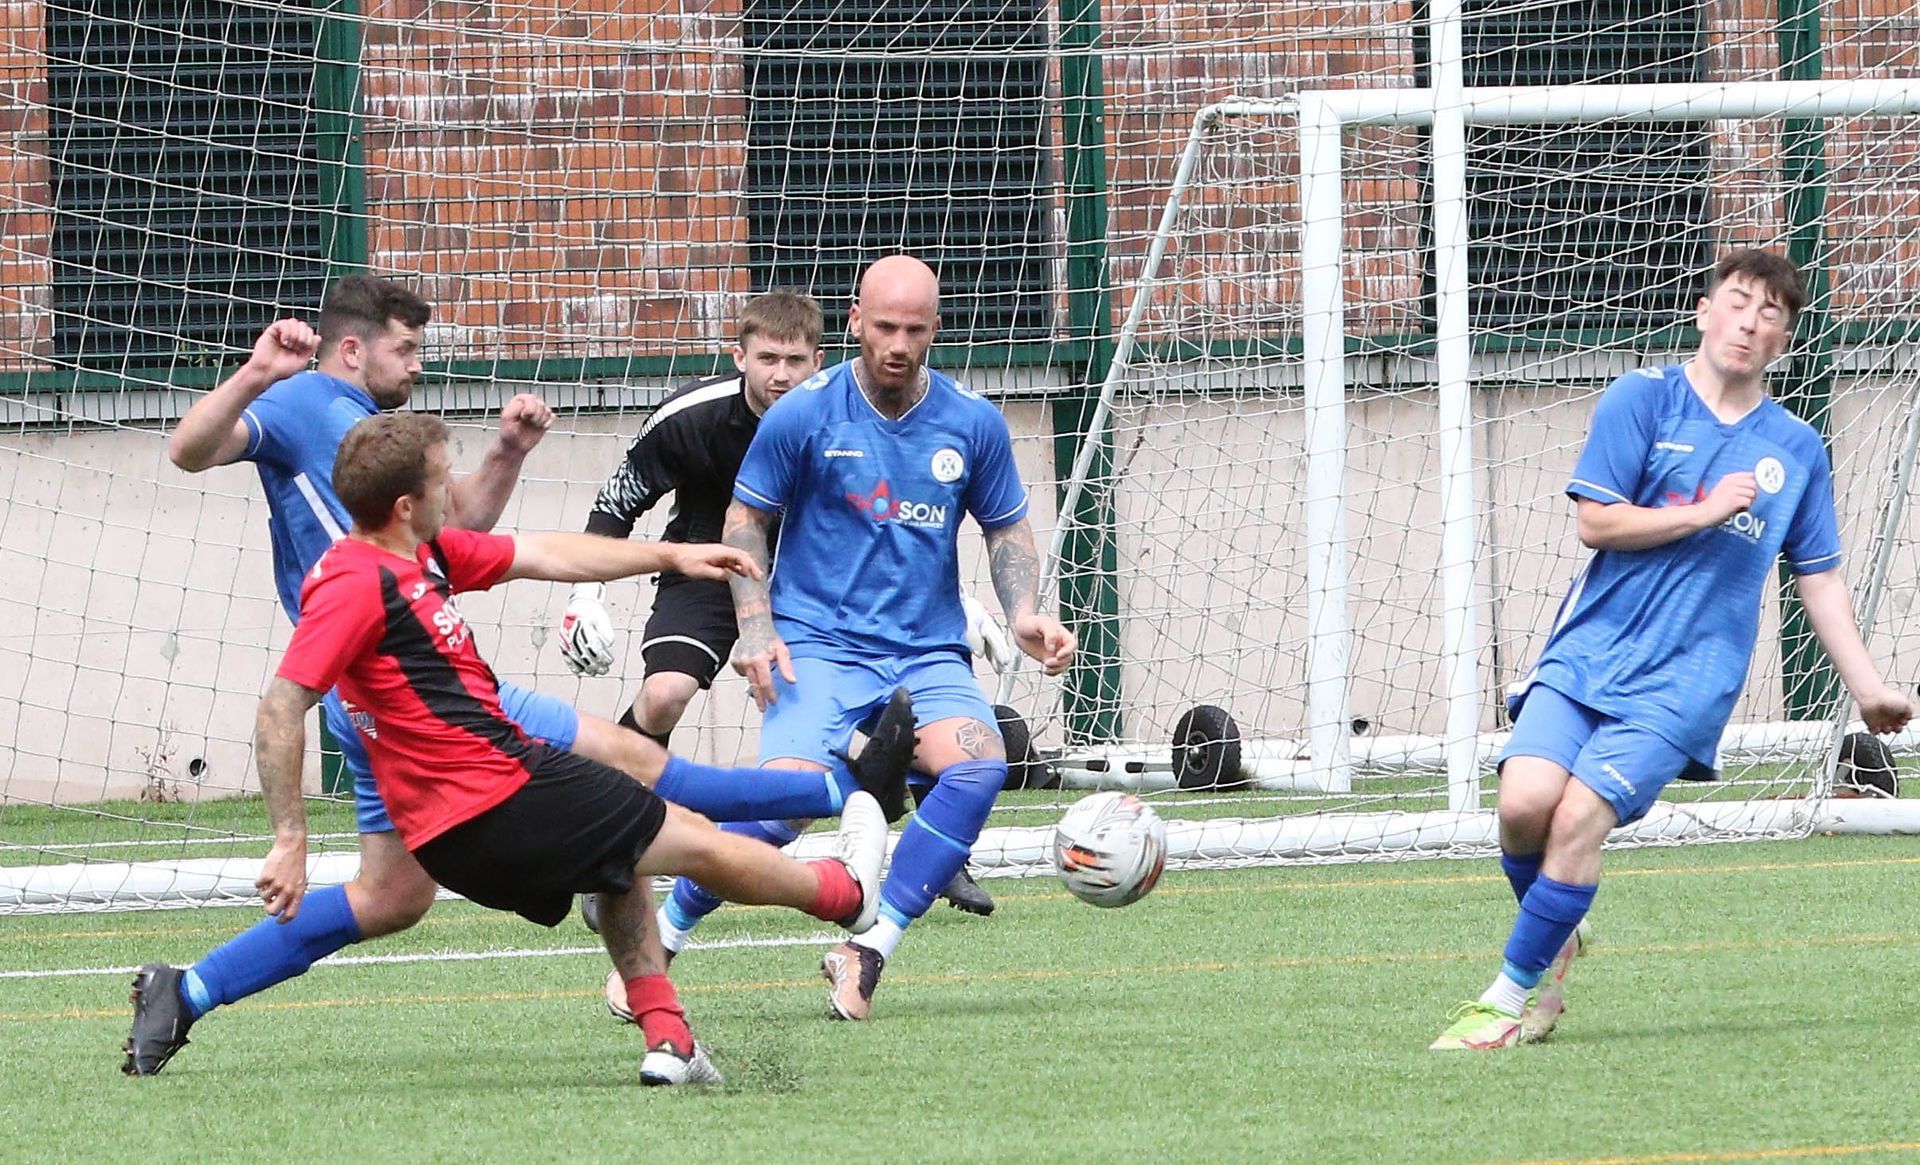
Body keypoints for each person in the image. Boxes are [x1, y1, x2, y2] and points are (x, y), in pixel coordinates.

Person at [125, 277, 904, 1076]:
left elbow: (531, 547)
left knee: (392, 896)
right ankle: (846, 813)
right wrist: (290, 836)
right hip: (432, 714)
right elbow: (192, 460)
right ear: (354, 350)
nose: (419, 363)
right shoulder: (314, 432)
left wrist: (664, 551)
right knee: (646, 794)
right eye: (408, 347)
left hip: (395, 706)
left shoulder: (403, 505)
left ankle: (186, 991)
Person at [1430, 249, 1914, 1051]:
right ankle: (1555, 932)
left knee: (1579, 816)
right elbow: (1597, 522)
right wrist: (1703, 510)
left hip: (1686, 684)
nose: (1749, 322)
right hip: (1588, 652)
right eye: (1737, 302)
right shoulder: (1642, 399)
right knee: (1521, 806)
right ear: (1703, 309)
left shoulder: (1795, 449)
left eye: (1770, 314)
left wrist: (1868, 687)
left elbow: (1820, 580)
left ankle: (1507, 1000)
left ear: (1784, 339)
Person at [653, 254, 1076, 1022]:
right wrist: (755, 629)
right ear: (854, 322)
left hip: (925, 653)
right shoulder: (804, 413)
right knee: (783, 805)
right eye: (884, 326)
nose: (897, 343)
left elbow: (1007, 526)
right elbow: (745, 521)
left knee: (981, 764)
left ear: (936, 330)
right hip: (816, 645)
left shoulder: (971, 423)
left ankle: (869, 945)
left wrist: (1022, 613)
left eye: (915, 329)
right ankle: (665, 930)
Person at [556, 290, 998, 926]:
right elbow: (619, 499)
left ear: (819, 358)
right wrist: (585, 592)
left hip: (823, 579)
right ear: (739, 357)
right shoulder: (691, 418)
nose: (782, 375)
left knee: (907, 689)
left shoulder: (847, 411)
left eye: (796, 360)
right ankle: (611, 838)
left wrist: (963, 602)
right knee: (664, 696)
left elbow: (897, 525)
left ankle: (937, 846)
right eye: (767, 358)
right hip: (711, 562)